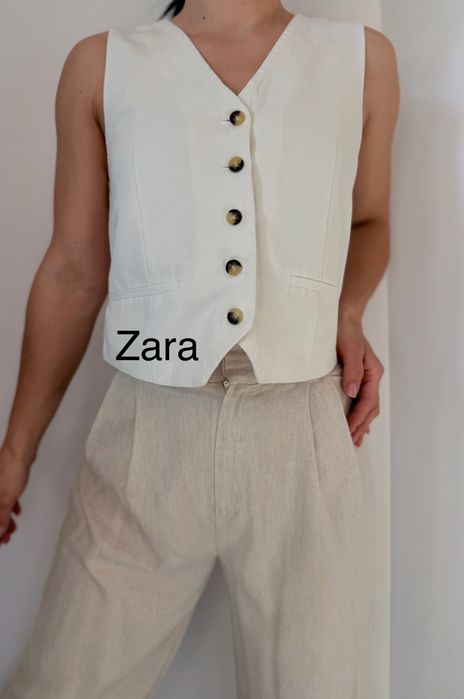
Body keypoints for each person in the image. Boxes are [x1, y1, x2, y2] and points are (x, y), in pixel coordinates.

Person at [0, 0, 399, 697]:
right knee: (63, 683)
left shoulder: (363, 59)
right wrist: (16, 451)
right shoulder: (101, 66)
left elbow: (369, 221)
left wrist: (348, 312)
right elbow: (73, 272)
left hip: (302, 435)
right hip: (145, 436)